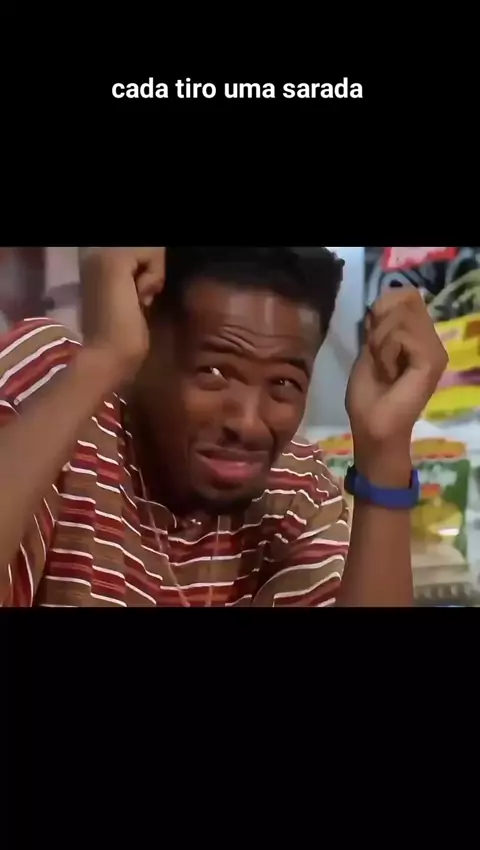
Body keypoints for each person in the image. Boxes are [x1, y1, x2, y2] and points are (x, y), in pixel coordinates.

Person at [0, 246, 447, 607]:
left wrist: (384, 451)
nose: (248, 424)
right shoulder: (58, 385)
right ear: (145, 335)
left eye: (283, 383)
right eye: (214, 372)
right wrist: (105, 357)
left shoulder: (293, 488)